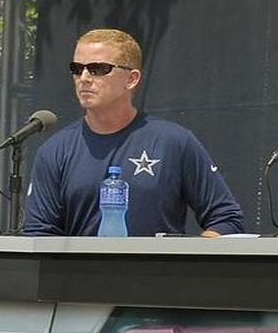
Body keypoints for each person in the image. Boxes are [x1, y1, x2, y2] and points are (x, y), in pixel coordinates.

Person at [23, 29, 244, 237]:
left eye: (98, 69)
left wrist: (188, 262)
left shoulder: (174, 142)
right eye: (77, 69)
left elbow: (227, 219)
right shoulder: (54, 151)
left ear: (131, 79)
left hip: (159, 276)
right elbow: (39, 233)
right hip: (79, 277)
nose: (84, 78)